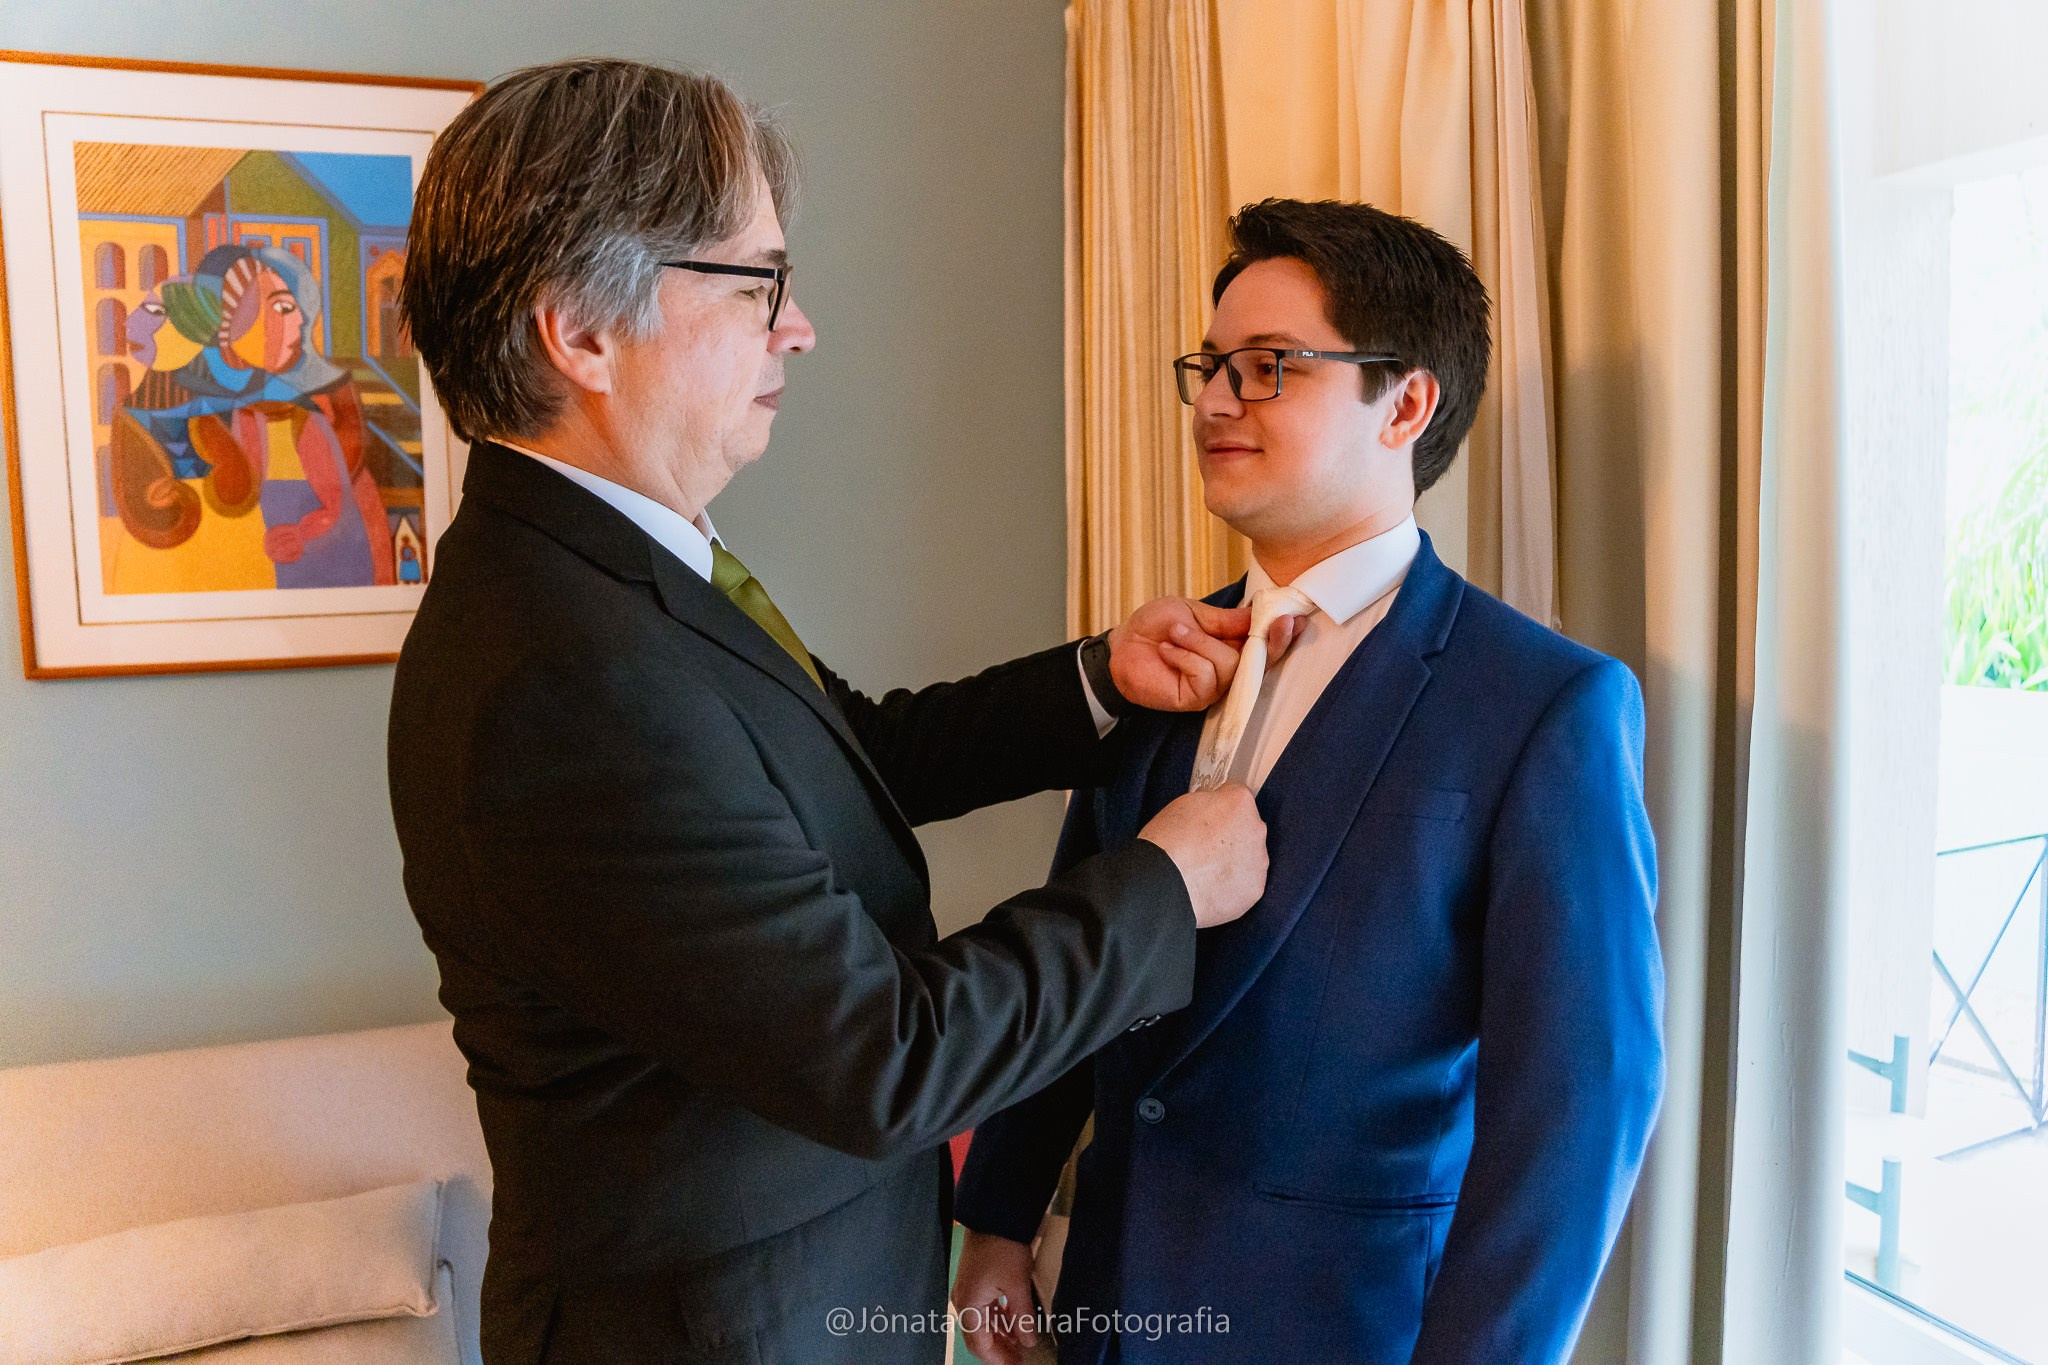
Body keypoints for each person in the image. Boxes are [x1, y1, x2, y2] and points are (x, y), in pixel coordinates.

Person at [386, 59, 1276, 1364]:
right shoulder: (558, 679)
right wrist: (1160, 885)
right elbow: (888, 1055)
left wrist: (1096, 679)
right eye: (756, 285)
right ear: (580, 329)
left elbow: (842, 751)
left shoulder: (612, 562)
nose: (796, 329)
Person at [952, 199, 1665, 1365]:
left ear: (1408, 402)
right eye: (1212, 365)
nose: (1216, 400)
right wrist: (995, 1217)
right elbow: (1084, 939)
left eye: (1270, 366)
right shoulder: (1165, 657)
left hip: (1341, 1328)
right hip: (1100, 1309)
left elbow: (1577, 1112)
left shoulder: (1542, 706)